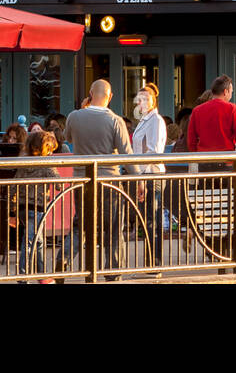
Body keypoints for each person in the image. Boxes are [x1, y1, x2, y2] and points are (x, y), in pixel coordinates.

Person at [63, 79, 133, 276]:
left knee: (81, 225)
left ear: (90, 94)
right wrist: (140, 180)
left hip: (81, 179)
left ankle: (63, 260)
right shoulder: (115, 120)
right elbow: (128, 154)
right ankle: (113, 270)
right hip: (108, 180)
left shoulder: (74, 116)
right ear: (110, 97)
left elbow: (68, 138)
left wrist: (82, 110)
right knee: (112, 228)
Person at [15, 130, 66, 283]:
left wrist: (12, 210)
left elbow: (14, 184)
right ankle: (23, 277)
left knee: (38, 241)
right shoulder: (45, 165)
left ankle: (41, 274)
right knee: (30, 242)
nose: (51, 153)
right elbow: (59, 184)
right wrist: (53, 165)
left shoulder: (22, 161)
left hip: (23, 207)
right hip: (37, 207)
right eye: (50, 149)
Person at [130, 82, 167, 273]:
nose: (141, 102)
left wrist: (142, 179)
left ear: (153, 101)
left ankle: (155, 264)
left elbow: (154, 151)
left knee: (153, 219)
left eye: (145, 99)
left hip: (152, 175)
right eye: (139, 99)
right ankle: (150, 262)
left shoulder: (156, 120)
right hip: (144, 174)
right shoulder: (144, 120)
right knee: (148, 220)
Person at [184, 75, 236, 156]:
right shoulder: (232, 109)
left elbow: (191, 140)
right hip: (226, 157)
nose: (231, 95)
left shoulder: (197, 110)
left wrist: (196, 155)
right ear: (225, 92)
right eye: (231, 92)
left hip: (204, 158)